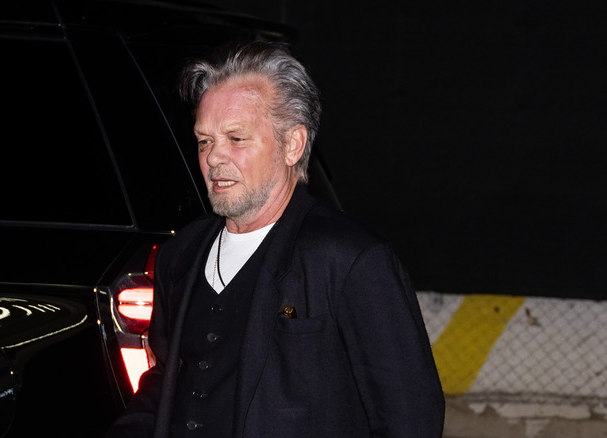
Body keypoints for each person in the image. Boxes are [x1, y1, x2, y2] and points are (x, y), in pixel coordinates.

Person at [107, 41, 444, 438]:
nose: (214, 157)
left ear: (292, 144)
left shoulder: (351, 259)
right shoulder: (179, 256)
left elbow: (410, 416)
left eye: (236, 138)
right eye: (204, 141)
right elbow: (165, 385)